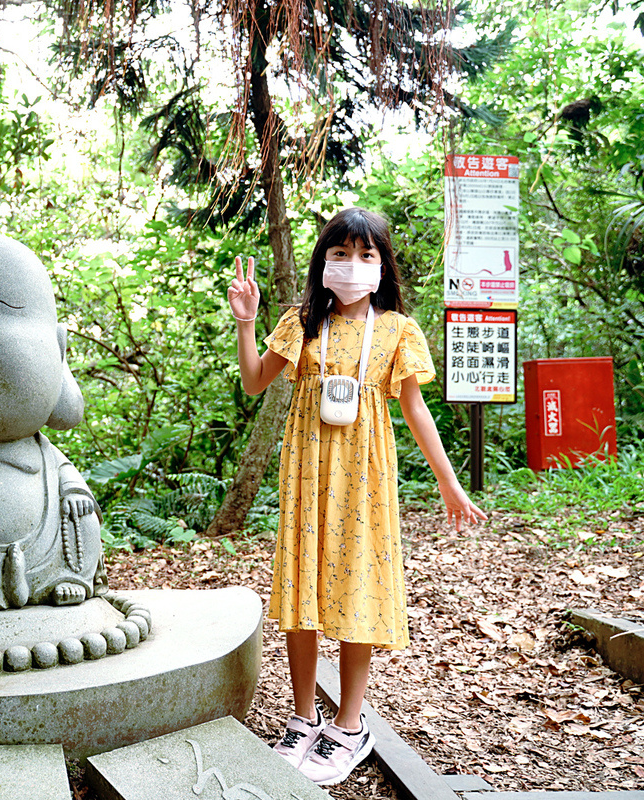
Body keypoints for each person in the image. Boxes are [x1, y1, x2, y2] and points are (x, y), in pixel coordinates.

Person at [228, 207, 486, 786]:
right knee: (301, 588)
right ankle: (302, 718)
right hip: (306, 475)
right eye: (341, 253)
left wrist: (447, 480)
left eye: (366, 255)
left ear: (382, 267)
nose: (352, 264)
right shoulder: (301, 323)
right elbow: (254, 380)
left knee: (356, 587)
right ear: (324, 261)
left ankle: (349, 726)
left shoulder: (398, 330)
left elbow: (415, 408)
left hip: (364, 478)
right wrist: (246, 323)